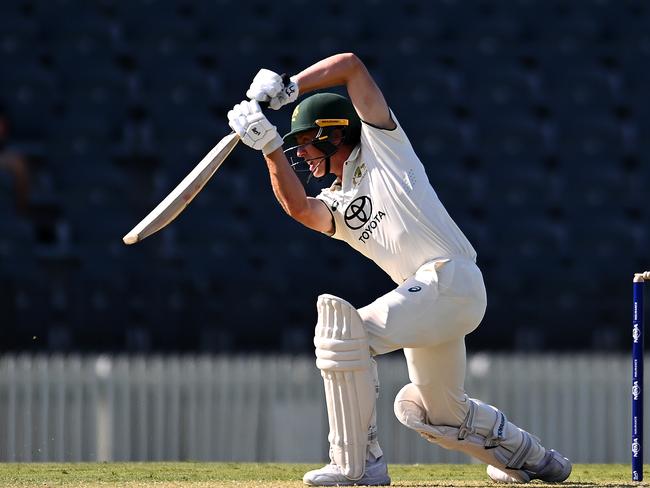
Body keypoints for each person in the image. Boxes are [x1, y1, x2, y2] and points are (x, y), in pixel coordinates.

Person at [227, 53, 572, 486]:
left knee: (344, 333)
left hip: (450, 278)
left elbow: (351, 67)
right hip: (428, 298)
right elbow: (299, 208)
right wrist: (270, 149)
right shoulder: (336, 202)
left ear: (333, 135)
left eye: (305, 145)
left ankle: (357, 464)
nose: (303, 157)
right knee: (437, 414)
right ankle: (534, 458)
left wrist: (290, 86)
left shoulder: (384, 148)